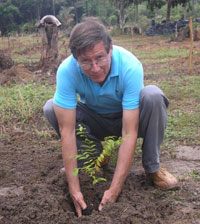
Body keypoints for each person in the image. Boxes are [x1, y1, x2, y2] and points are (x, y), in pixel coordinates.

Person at [43, 18, 178, 217]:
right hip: (95, 119)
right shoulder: (67, 71)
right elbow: (68, 131)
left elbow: (129, 131)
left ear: (110, 50)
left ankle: (152, 168)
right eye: (86, 62)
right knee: (51, 108)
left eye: (100, 58)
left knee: (153, 96)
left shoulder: (130, 66)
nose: (95, 67)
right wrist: (74, 188)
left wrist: (115, 189)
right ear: (75, 59)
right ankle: (92, 157)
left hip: (128, 118)